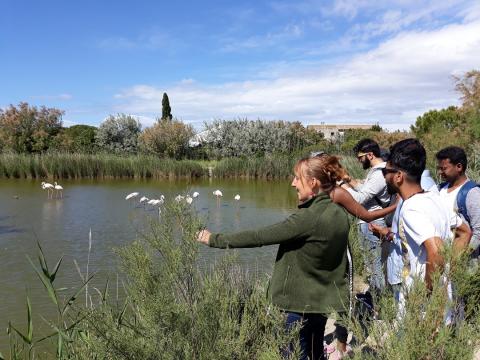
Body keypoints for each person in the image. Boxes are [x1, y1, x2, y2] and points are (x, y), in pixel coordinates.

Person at [197, 156, 351, 360]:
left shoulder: (308, 217)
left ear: (313, 183)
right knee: (314, 353)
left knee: (292, 354)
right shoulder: (339, 213)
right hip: (321, 303)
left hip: (297, 305)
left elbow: (260, 236)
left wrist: (214, 239)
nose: (293, 183)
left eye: (297, 178)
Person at [370, 139, 471, 321]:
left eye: (386, 172)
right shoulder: (435, 198)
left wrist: (424, 293)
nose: (384, 177)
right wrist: (450, 266)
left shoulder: (412, 208)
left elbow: (436, 251)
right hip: (442, 300)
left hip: (422, 311)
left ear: (398, 176)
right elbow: (464, 232)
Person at [341, 139, 391, 293]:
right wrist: (349, 181)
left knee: (374, 265)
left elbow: (361, 198)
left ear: (370, 155)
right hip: (370, 220)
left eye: (360, 157)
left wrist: (340, 186)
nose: (358, 161)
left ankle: (379, 303)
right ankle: (378, 297)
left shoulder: (379, 173)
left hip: (372, 222)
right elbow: (367, 191)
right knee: (374, 264)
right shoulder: (378, 171)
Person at [436, 146, 480, 259]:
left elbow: (478, 232)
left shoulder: (472, 193)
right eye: (439, 168)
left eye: (444, 168)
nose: (440, 172)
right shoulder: (439, 189)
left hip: (461, 265)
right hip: (440, 261)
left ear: (459, 167)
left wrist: (458, 257)